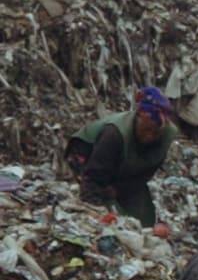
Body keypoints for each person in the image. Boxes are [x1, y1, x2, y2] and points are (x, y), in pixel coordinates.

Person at [65, 86, 179, 225]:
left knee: (142, 219)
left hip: (122, 166)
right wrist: (95, 209)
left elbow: (146, 173)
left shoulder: (166, 135)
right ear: (138, 118)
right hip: (86, 155)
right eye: (147, 130)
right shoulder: (114, 134)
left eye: (155, 132)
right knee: (108, 214)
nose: (150, 136)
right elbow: (93, 178)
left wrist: (120, 188)